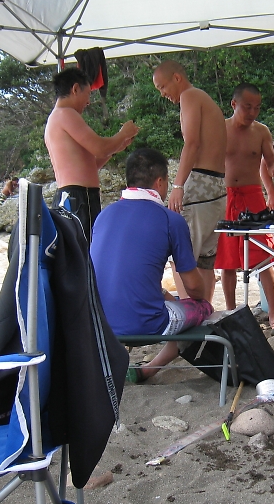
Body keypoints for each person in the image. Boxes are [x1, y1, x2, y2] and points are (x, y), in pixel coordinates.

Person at [90, 148, 213, 381]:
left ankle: (138, 368)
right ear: (160, 182)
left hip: (100, 323)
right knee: (202, 308)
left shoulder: (104, 215)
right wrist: (198, 297)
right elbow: (194, 288)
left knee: (167, 299)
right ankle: (150, 368)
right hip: (147, 326)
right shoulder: (170, 220)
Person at [152, 60, 227, 302]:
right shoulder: (206, 100)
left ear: (177, 78)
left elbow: (192, 143)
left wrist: (177, 186)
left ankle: (190, 315)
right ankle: (205, 313)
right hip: (217, 188)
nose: (163, 94)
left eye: (163, 87)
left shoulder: (190, 96)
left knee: (181, 256)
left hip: (200, 186)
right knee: (205, 261)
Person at [215, 84, 274, 330]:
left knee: (264, 255)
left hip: (253, 197)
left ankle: (273, 311)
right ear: (234, 104)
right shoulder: (219, 128)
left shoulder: (262, 131)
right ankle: (231, 312)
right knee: (227, 259)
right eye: (247, 107)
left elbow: (270, 161)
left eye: (257, 108)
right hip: (226, 196)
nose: (252, 112)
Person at [44, 67, 138, 238]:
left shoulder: (56, 117)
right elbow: (100, 148)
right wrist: (123, 133)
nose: (88, 102)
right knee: (86, 249)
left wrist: (115, 149)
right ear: (75, 89)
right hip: (79, 197)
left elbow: (89, 166)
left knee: (81, 248)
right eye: (88, 94)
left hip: (71, 196)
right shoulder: (66, 114)